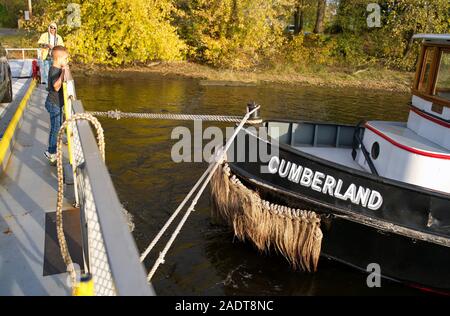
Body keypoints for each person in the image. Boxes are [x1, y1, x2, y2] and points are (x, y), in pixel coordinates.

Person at [44, 46, 68, 165]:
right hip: (53, 104)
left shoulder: (57, 68)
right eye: (65, 58)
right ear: (58, 59)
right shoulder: (54, 70)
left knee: (57, 127)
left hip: (57, 103)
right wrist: (64, 71)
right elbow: (56, 86)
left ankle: (53, 150)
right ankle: (51, 152)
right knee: (55, 129)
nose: (67, 61)